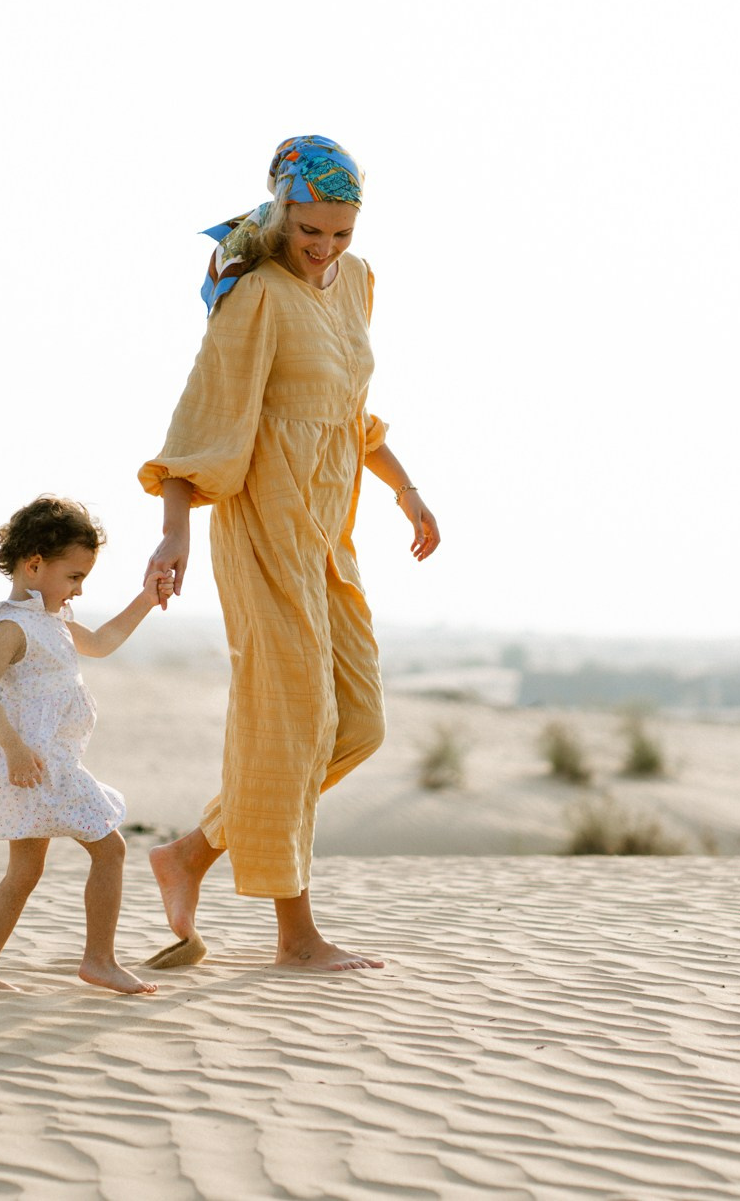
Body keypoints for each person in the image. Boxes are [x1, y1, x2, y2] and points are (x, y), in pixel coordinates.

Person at [139, 135, 440, 972]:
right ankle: (295, 936)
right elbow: (203, 423)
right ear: (280, 207)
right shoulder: (257, 295)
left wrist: (404, 487)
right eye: (311, 229)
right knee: (295, 721)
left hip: (327, 536)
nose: (326, 247)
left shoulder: (359, 283)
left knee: (359, 723)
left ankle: (192, 853)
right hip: (263, 528)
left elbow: (349, 409)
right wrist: (173, 532)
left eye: (340, 232)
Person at [0, 496, 171, 995]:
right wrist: (13, 748)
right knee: (110, 848)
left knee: (25, 870)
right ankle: (98, 960)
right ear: (34, 565)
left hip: (50, 763)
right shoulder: (13, 626)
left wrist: (147, 598)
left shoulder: (52, 618)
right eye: (74, 576)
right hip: (37, 764)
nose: (79, 588)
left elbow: (99, 642)